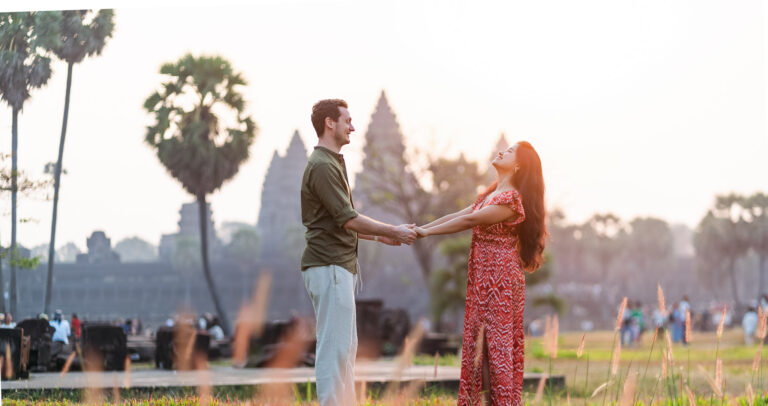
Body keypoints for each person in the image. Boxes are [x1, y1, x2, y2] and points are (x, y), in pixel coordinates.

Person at [301, 99, 417, 405]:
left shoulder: (332, 162)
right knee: (334, 350)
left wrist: (379, 239)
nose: (353, 126)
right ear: (330, 123)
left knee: (345, 349)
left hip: (337, 267)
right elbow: (348, 218)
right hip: (329, 267)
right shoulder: (323, 166)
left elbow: (341, 222)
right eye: (347, 120)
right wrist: (393, 230)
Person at [414, 141, 547, 405]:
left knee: (495, 347)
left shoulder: (512, 199)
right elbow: (459, 214)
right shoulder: (491, 194)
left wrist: (425, 233)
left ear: (518, 164)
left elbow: (470, 221)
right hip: (482, 278)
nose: (501, 152)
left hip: (501, 280)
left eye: (509, 152)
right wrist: (418, 229)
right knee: (480, 347)